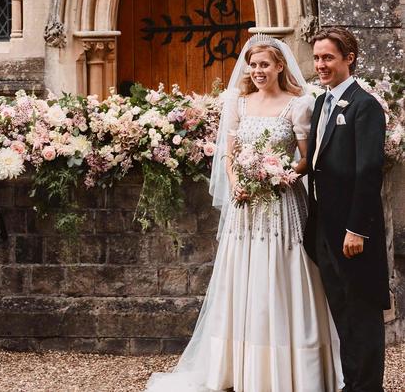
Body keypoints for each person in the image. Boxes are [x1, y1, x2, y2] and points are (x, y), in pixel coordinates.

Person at [146, 35, 340, 392]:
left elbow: (306, 159)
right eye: (253, 65)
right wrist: (236, 182)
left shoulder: (298, 105)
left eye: (264, 64)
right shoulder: (239, 102)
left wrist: (279, 176)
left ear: (280, 66)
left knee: (283, 278)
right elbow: (228, 154)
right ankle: (240, 368)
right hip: (245, 208)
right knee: (244, 278)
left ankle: (293, 369)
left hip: (281, 204)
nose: (258, 70)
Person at [304, 27, 389, 392]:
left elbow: (368, 173)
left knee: (363, 313)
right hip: (325, 227)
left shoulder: (364, 106)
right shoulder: (323, 103)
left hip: (353, 233)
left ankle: (368, 386)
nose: (320, 65)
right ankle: (352, 383)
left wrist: (357, 229)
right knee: (342, 312)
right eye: (317, 57)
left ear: (349, 58)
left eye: (328, 58)